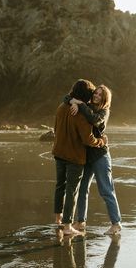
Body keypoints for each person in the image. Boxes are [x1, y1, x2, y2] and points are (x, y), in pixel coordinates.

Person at [65, 85, 122, 235]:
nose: (96, 95)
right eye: (95, 93)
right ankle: (81, 222)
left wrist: (81, 104)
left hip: (100, 156)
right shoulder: (88, 105)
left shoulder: (104, 111)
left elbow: (94, 120)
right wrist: (73, 102)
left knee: (106, 190)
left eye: (100, 94)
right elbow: (66, 98)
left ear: (105, 98)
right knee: (83, 188)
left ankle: (116, 224)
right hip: (87, 156)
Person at [52, 79, 106, 235]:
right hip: (74, 157)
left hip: (58, 152)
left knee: (59, 186)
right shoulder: (80, 114)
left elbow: (56, 129)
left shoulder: (61, 107)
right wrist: (101, 141)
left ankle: (58, 218)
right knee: (72, 190)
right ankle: (68, 226)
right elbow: (88, 139)